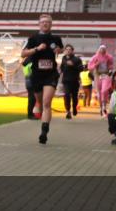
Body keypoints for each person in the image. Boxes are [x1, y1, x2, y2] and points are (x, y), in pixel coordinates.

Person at [21, 14, 64, 144]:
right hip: (37, 74)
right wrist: (37, 49)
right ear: (39, 24)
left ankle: (44, 131)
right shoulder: (33, 38)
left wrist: (59, 50)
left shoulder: (55, 38)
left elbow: (61, 49)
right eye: (43, 22)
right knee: (40, 101)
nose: (45, 24)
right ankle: (37, 104)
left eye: (47, 22)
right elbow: (23, 53)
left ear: (51, 24)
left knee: (46, 103)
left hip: (50, 74)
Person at [87, 44, 115, 111]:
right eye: (101, 49)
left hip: (105, 74)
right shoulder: (95, 57)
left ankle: (104, 106)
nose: (102, 50)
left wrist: (110, 68)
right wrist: (96, 64)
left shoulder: (109, 57)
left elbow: (111, 65)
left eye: (104, 49)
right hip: (97, 75)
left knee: (104, 90)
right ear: (99, 49)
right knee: (99, 92)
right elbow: (89, 67)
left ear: (105, 50)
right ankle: (101, 106)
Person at [59, 44, 83, 119]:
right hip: (66, 80)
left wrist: (73, 65)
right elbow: (62, 68)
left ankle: (74, 108)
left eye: (69, 49)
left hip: (75, 80)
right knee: (66, 95)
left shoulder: (77, 59)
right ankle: (68, 111)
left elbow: (81, 69)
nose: (68, 51)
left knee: (74, 96)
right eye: (67, 50)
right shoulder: (63, 58)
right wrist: (60, 72)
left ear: (72, 51)